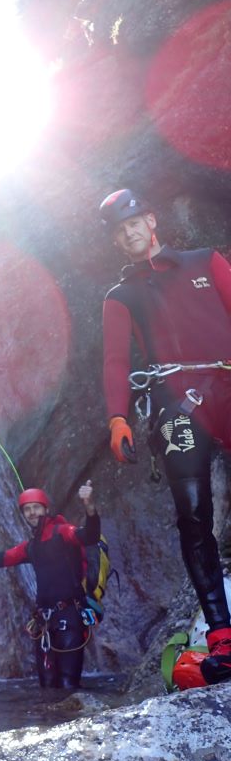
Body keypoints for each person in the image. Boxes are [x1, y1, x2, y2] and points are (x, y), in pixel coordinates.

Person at [100, 188, 231, 683]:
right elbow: (115, 361)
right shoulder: (120, 296)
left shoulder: (204, 261)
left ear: (151, 221)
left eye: (134, 221)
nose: (129, 232)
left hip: (228, 384)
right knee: (193, 516)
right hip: (178, 403)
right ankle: (223, 639)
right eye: (120, 230)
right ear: (116, 241)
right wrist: (118, 418)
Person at [0, 482, 100, 689]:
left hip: (70, 617)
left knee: (68, 683)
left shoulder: (63, 532)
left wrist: (90, 507)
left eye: (36, 507)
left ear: (46, 509)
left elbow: (90, 536)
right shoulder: (30, 548)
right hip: (44, 622)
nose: (32, 513)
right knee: (47, 685)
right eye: (27, 509)